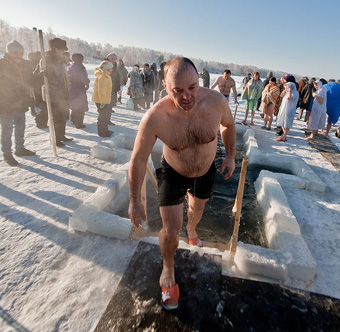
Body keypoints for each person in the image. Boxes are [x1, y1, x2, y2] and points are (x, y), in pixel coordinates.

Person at [128, 57, 235, 311]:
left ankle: (193, 228)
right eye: (178, 90)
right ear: (166, 86)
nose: (187, 96)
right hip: (174, 172)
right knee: (171, 228)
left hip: (205, 170)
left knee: (196, 212)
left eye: (193, 87)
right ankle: (168, 267)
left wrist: (230, 155)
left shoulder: (216, 102)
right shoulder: (155, 117)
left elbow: (228, 125)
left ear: (199, 81)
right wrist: (134, 200)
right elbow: (138, 159)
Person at [0, 40, 36, 166]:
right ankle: (7, 154)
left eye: (21, 53)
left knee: (20, 127)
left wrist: (41, 76)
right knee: (6, 129)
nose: (18, 55)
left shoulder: (24, 65)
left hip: (20, 102)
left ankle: (20, 148)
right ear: (8, 52)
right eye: (15, 52)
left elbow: (31, 82)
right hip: (5, 104)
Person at [35, 37, 72, 147]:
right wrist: (43, 73)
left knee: (63, 116)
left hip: (63, 92)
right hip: (53, 93)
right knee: (56, 117)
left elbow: (63, 76)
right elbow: (36, 77)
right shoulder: (45, 60)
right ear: (56, 50)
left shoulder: (61, 61)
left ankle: (61, 135)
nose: (63, 53)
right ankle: (55, 139)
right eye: (61, 50)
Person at [67, 53, 90, 129]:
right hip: (79, 88)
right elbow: (83, 78)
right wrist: (87, 82)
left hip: (71, 87)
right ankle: (79, 123)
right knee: (80, 106)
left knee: (74, 104)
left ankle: (73, 120)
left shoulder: (69, 66)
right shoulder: (81, 67)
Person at [92, 60, 114, 137]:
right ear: (107, 68)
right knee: (102, 117)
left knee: (105, 116)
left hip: (104, 99)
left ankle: (105, 130)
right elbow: (101, 91)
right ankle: (102, 132)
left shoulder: (106, 75)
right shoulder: (103, 76)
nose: (112, 69)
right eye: (111, 67)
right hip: (101, 100)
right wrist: (103, 102)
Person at [106, 52, 119, 125]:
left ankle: (108, 120)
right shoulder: (105, 65)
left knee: (110, 105)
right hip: (107, 88)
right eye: (112, 58)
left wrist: (117, 86)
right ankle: (104, 121)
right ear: (108, 58)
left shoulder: (114, 66)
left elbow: (116, 76)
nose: (113, 60)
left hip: (113, 88)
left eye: (114, 59)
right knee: (106, 106)